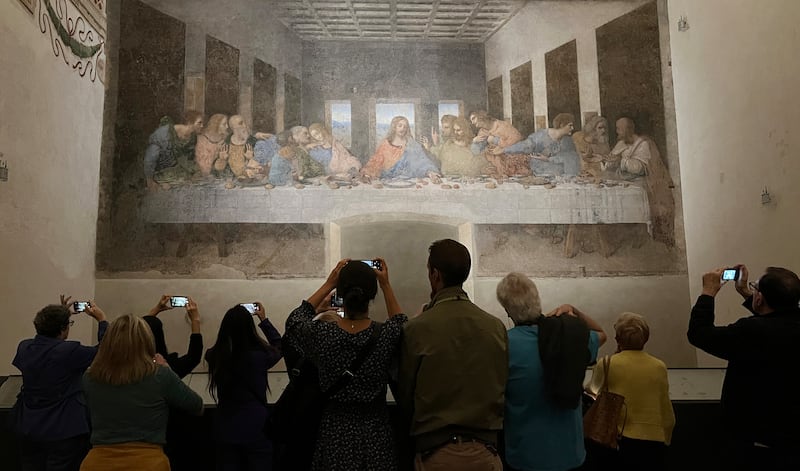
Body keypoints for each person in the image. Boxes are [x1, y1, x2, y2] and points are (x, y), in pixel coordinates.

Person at [285, 258, 406, 471]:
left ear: (340, 294)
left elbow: (295, 321)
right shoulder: (387, 334)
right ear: (371, 295)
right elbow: (402, 325)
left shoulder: (322, 334)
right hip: (375, 431)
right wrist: (386, 284)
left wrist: (329, 283)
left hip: (335, 432)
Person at [399, 239, 508, 470]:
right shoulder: (495, 327)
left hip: (436, 454)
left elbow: (405, 395)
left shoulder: (417, 329)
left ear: (435, 275)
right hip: (487, 454)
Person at [687, 265, 800, 470]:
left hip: (755, 441)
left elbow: (699, 333)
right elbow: (779, 320)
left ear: (760, 299)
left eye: (754, 287)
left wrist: (708, 293)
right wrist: (747, 293)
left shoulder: (751, 332)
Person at [497, 273, 606, 471]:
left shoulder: (504, 345)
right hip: (570, 454)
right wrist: (574, 310)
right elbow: (602, 335)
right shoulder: (569, 336)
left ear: (508, 310)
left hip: (525, 455)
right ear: (537, 300)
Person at [80, 314, 204, 471]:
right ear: (147, 341)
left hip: (97, 462)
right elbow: (197, 406)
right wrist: (167, 369)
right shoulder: (160, 376)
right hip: (147, 462)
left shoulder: (89, 377)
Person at [11, 300, 108, 471]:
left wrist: (61, 315)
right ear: (64, 329)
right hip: (63, 428)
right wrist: (102, 320)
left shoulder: (24, 347)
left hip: (29, 425)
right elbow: (105, 351)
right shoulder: (69, 351)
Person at [586, 312, 673, 471]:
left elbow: (592, 390)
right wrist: (666, 436)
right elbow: (665, 407)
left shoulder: (608, 363)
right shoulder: (659, 366)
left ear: (617, 339)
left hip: (619, 438)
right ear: (646, 338)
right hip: (654, 439)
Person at [205, 302, 283, 471]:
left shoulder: (214, 356)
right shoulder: (260, 357)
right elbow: (280, 345)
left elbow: (212, 351)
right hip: (256, 426)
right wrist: (263, 319)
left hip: (225, 427)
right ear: (250, 328)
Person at [605, 117, 675, 247]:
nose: (617, 132)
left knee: (634, 202)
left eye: (620, 129)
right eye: (617, 129)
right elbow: (611, 161)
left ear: (628, 129)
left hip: (641, 183)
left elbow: (640, 168)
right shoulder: (621, 143)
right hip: (623, 181)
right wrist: (607, 161)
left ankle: (640, 235)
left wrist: (621, 161)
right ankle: (620, 235)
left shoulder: (643, 144)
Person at [495, 113, 580, 177]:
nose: (572, 128)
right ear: (562, 125)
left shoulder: (567, 141)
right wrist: (504, 150)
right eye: (570, 125)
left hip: (559, 170)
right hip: (540, 169)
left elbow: (570, 159)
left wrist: (548, 159)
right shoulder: (542, 135)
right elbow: (524, 146)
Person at [362, 116, 440, 181]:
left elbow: (423, 161)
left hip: (410, 182)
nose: (402, 128)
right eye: (400, 125)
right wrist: (367, 174)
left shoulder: (411, 144)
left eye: (405, 126)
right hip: (387, 181)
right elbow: (375, 162)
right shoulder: (385, 144)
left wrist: (431, 172)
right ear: (394, 127)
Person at [143, 294, 203, 378]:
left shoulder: (125, 367)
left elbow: (139, 333)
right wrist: (195, 320)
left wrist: (155, 310)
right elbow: (193, 357)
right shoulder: (166, 369)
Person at [144, 110, 203, 190]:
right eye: (199, 123)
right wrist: (150, 181)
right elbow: (150, 157)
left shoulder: (192, 137)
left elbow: (189, 159)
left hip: (179, 176)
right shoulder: (165, 133)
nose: (202, 126)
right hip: (160, 174)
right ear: (189, 122)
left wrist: (195, 173)